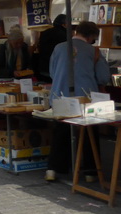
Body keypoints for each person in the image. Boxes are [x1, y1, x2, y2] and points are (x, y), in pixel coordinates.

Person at [46, 21, 112, 181]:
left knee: (60, 132)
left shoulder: (59, 47)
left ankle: (53, 169)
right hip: (85, 98)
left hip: (60, 95)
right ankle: (90, 171)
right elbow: (103, 77)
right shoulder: (93, 51)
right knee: (89, 133)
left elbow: (52, 73)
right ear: (91, 36)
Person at [35, 15, 68, 81]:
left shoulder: (45, 32)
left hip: (43, 67)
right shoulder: (63, 35)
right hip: (56, 69)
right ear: (63, 24)